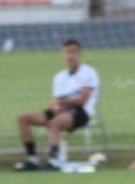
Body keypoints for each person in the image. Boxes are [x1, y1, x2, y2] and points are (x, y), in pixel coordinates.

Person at [15, 39, 100, 170]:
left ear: (80, 54)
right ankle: (32, 159)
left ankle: (54, 161)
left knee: (54, 122)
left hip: (81, 112)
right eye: (67, 52)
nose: (70, 56)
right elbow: (55, 101)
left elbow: (82, 100)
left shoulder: (89, 72)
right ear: (63, 54)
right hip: (61, 111)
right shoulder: (59, 77)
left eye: (74, 52)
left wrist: (62, 104)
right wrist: (55, 108)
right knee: (23, 118)